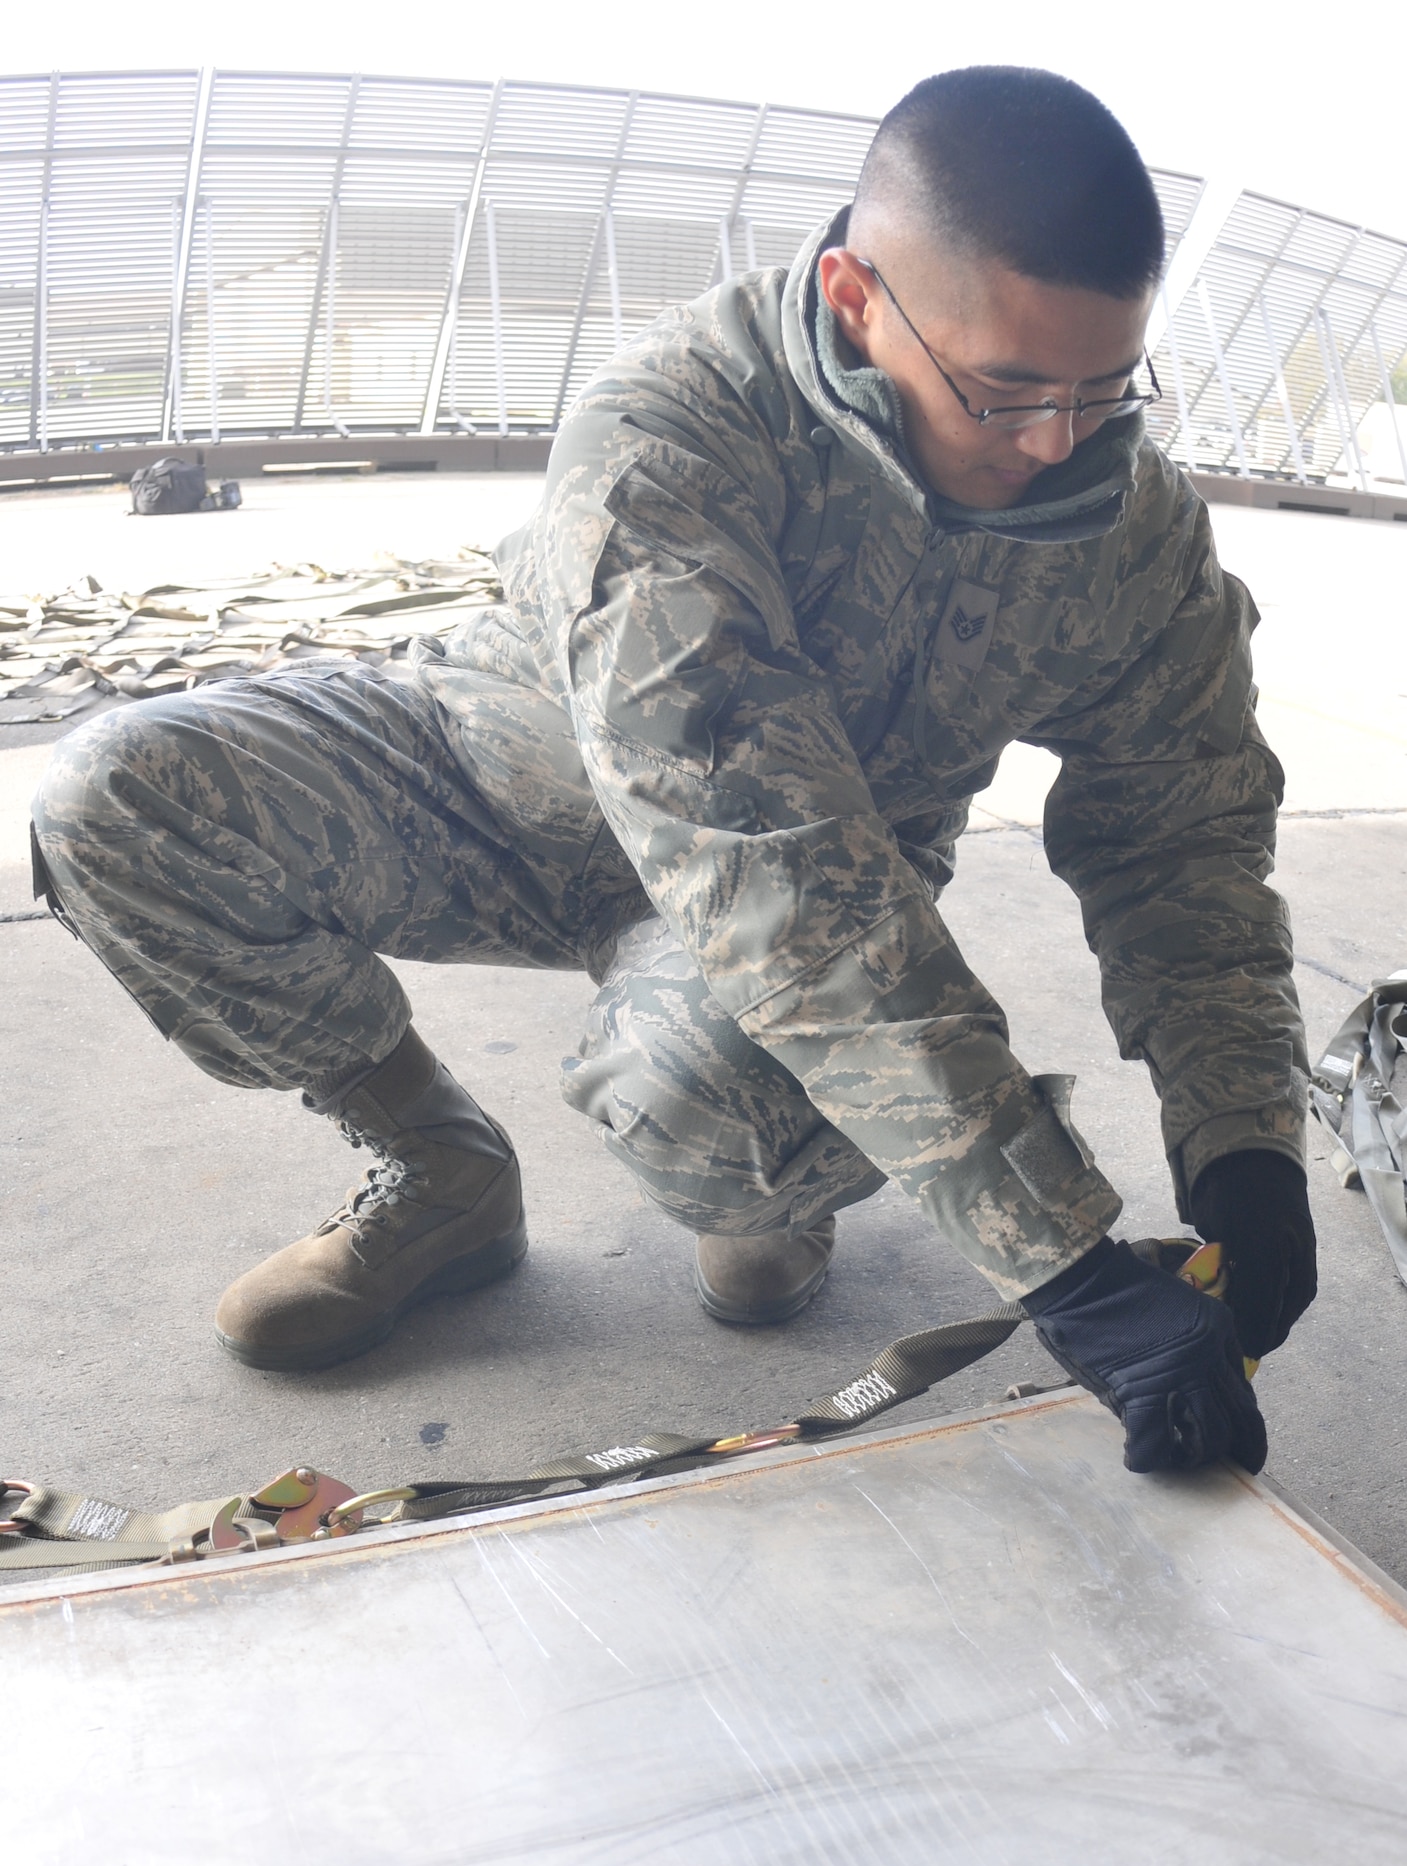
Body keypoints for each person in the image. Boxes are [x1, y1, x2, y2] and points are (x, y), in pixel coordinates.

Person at [31, 66, 1317, 1475]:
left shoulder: (1128, 536)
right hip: (495, 783)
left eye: (1102, 387)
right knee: (117, 801)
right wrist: (1064, 1265)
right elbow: (769, 876)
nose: (1054, 443)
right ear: (852, 296)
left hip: (804, 884)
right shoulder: (674, 432)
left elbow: (1181, 841)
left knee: (719, 1098)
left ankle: (768, 1196)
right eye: (1004, 389)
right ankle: (442, 1166)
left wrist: (1242, 1149)